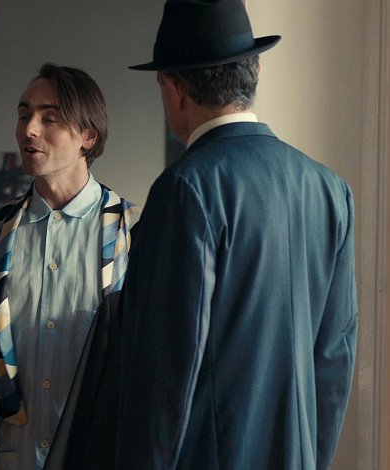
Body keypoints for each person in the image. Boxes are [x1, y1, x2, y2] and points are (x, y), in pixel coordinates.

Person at [113, 1, 358, 468]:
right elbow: (334, 361)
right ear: (256, 71)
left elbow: (164, 378)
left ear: (174, 88)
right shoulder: (330, 190)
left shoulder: (186, 189)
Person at [0, 63, 141, 470]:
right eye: (23, 115)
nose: (29, 130)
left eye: (49, 118)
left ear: (89, 136)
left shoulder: (136, 234)